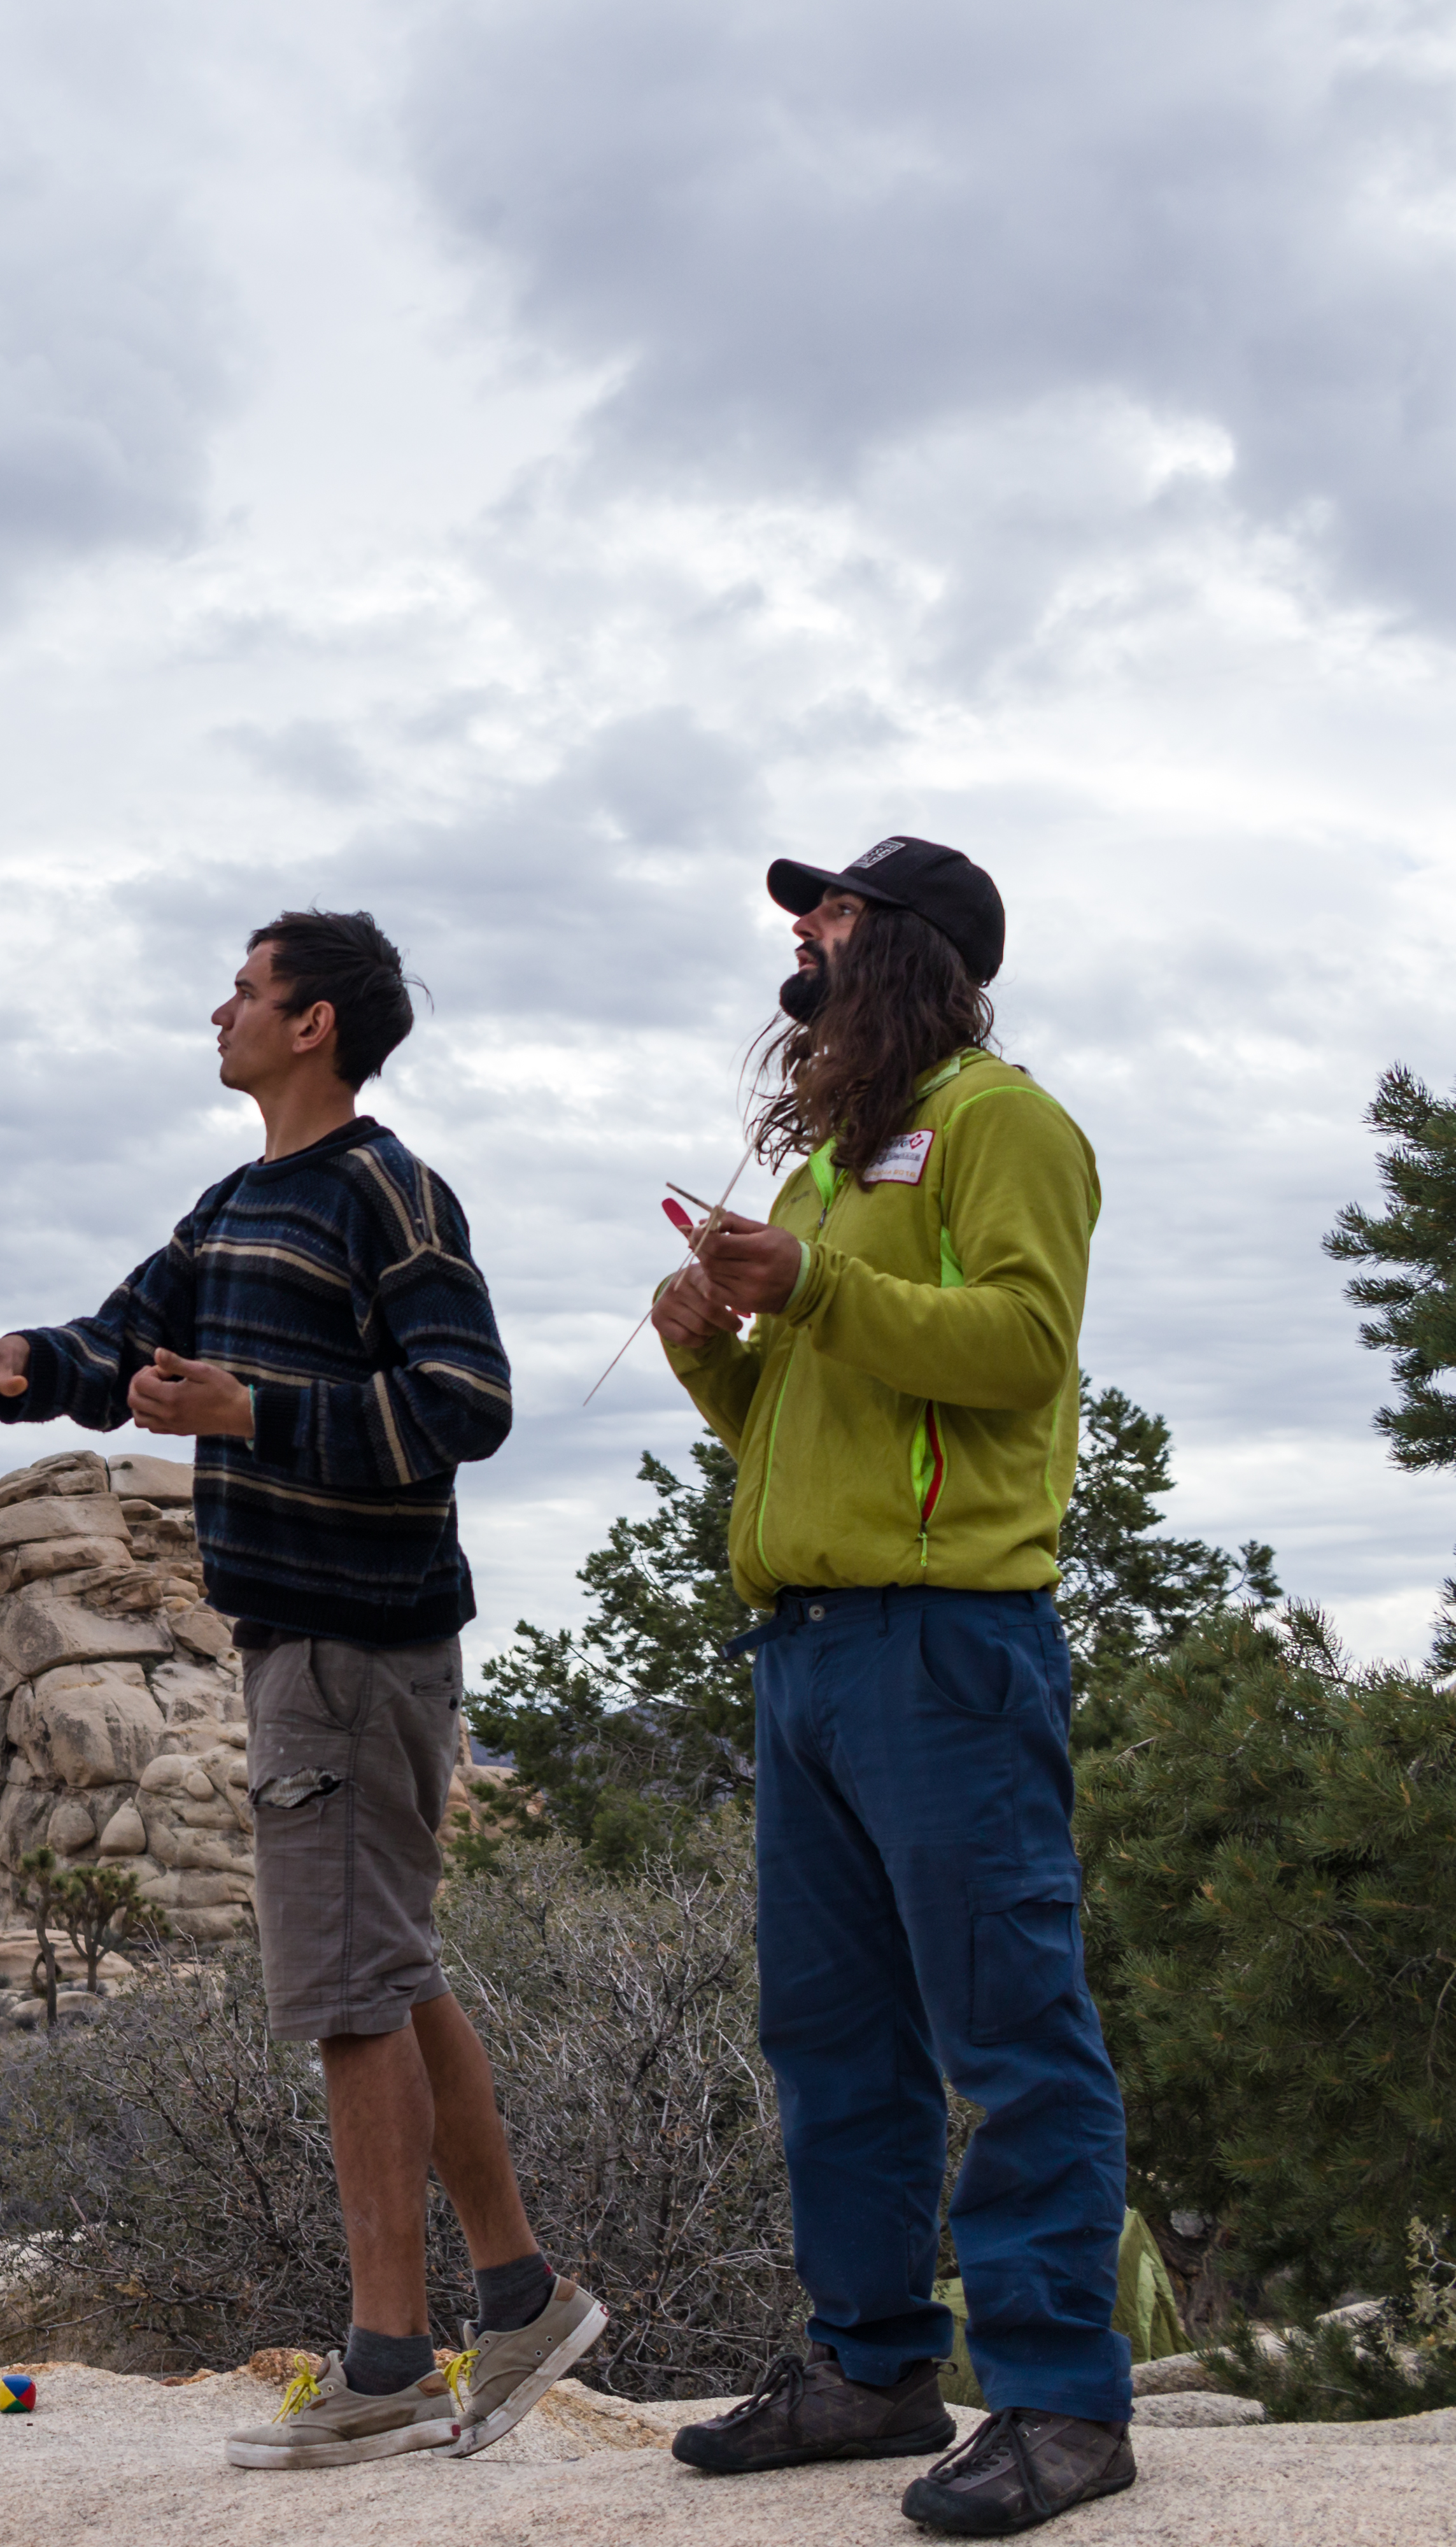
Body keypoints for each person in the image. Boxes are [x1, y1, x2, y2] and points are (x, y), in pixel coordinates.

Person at [0, 909, 603, 2468]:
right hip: (305, 1638)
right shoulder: (238, 1205)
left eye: (242, 987)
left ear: (313, 1025)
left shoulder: (388, 1192)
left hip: (358, 1644)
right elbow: (126, 1338)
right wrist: (18, 1355)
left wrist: (256, 1408)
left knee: (349, 1996)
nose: (215, 1008)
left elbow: (468, 1402)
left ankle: (384, 2359)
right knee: (393, 1968)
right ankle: (522, 2297)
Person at [656, 837, 1134, 2535]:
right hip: (804, 1653)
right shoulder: (828, 1168)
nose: (805, 934)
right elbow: (805, 1419)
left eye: (836, 913)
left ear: (918, 948)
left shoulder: (1007, 1121)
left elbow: (1019, 1353)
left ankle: (1064, 2404)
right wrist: (717, 1350)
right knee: (832, 2034)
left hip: (946, 1646)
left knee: (1007, 2025)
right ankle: (870, 2368)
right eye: (803, 916)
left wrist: (822, 1287)